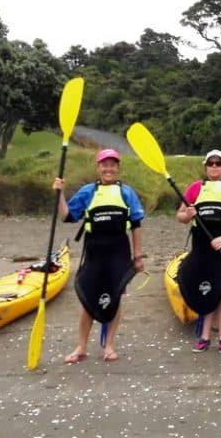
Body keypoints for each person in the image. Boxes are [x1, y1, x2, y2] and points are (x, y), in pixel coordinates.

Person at [53, 148, 145, 364]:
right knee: (88, 298)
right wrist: (59, 194)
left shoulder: (126, 193)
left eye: (113, 165)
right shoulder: (88, 191)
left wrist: (138, 256)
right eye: (105, 164)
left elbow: (137, 225)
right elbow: (67, 216)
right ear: (98, 167)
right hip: (94, 252)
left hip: (119, 252)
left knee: (115, 297)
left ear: (118, 168)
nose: (108, 168)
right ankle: (81, 347)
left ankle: (109, 346)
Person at [176, 149, 221, 354]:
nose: (214, 167)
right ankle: (205, 336)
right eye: (211, 163)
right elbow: (179, 216)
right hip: (201, 248)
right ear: (205, 166)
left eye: (218, 163)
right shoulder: (195, 188)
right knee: (205, 288)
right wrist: (187, 214)